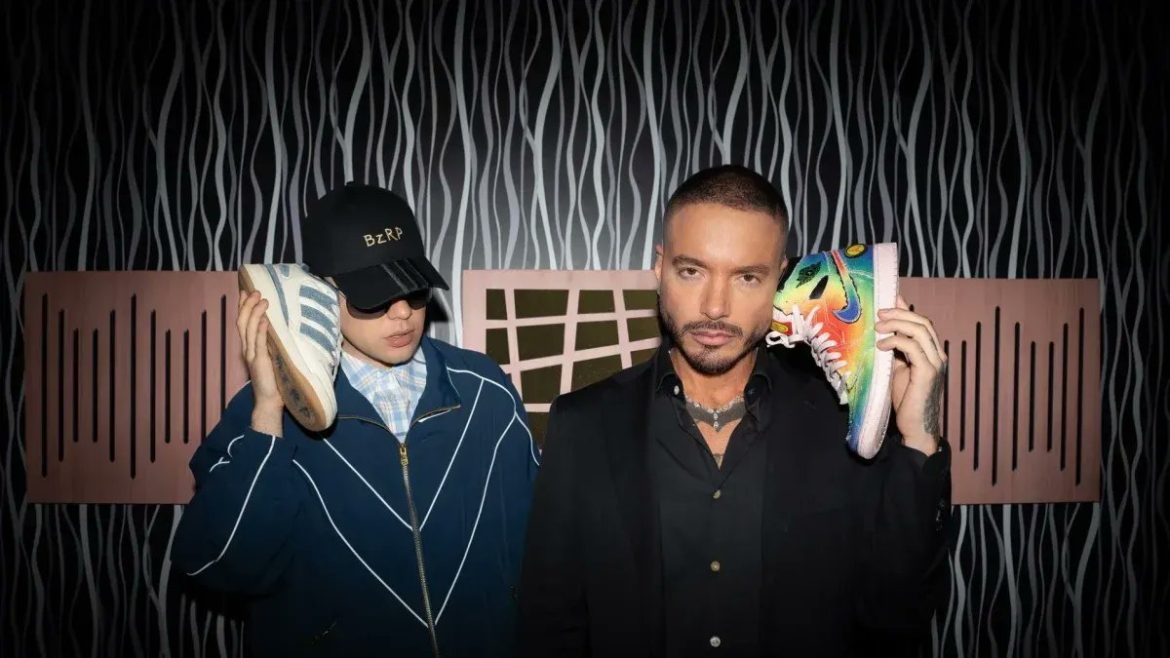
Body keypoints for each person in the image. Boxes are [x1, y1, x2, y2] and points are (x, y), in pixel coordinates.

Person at [517, 165, 951, 657]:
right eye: (691, 271)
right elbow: (550, 625)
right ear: (659, 268)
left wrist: (920, 437)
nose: (715, 306)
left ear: (781, 281)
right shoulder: (582, 425)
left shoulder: (840, 424)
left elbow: (897, 618)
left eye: (747, 277)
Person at [172, 183, 538, 657]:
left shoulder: (484, 387)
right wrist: (268, 415)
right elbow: (219, 564)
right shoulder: (264, 412)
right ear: (322, 292)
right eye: (374, 297)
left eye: (414, 289)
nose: (403, 312)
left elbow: (541, 540)